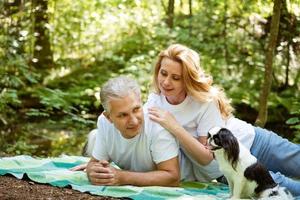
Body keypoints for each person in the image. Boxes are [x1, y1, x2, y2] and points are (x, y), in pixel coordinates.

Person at [146, 43, 300, 196]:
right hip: (231, 169)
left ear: (187, 79)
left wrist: (174, 127)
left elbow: (206, 155)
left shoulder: (203, 101)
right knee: (291, 192)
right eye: (163, 73)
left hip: (253, 142)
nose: (166, 82)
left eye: (176, 78)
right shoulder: (154, 102)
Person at [85, 76, 180, 187]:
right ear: (109, 117)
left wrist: (122, 177)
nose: (134, 121)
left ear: (141, 103)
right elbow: (94, 163)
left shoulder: (157, 125)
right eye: (123, 115)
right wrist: (93, 171)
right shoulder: (104, 122)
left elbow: (173, 177)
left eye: (136, 109)